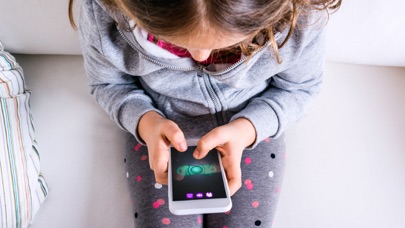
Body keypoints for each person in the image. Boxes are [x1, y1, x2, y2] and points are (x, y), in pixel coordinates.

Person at [69, 0, 341, 227]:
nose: (200, 57)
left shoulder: (299, 18)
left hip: (252, 129)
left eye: (229, 47)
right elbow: (107, 84)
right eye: (173, 43)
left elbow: (300, 89)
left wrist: (249, 129)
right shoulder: (104, 15)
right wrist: (144, 122)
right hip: (157, 131)